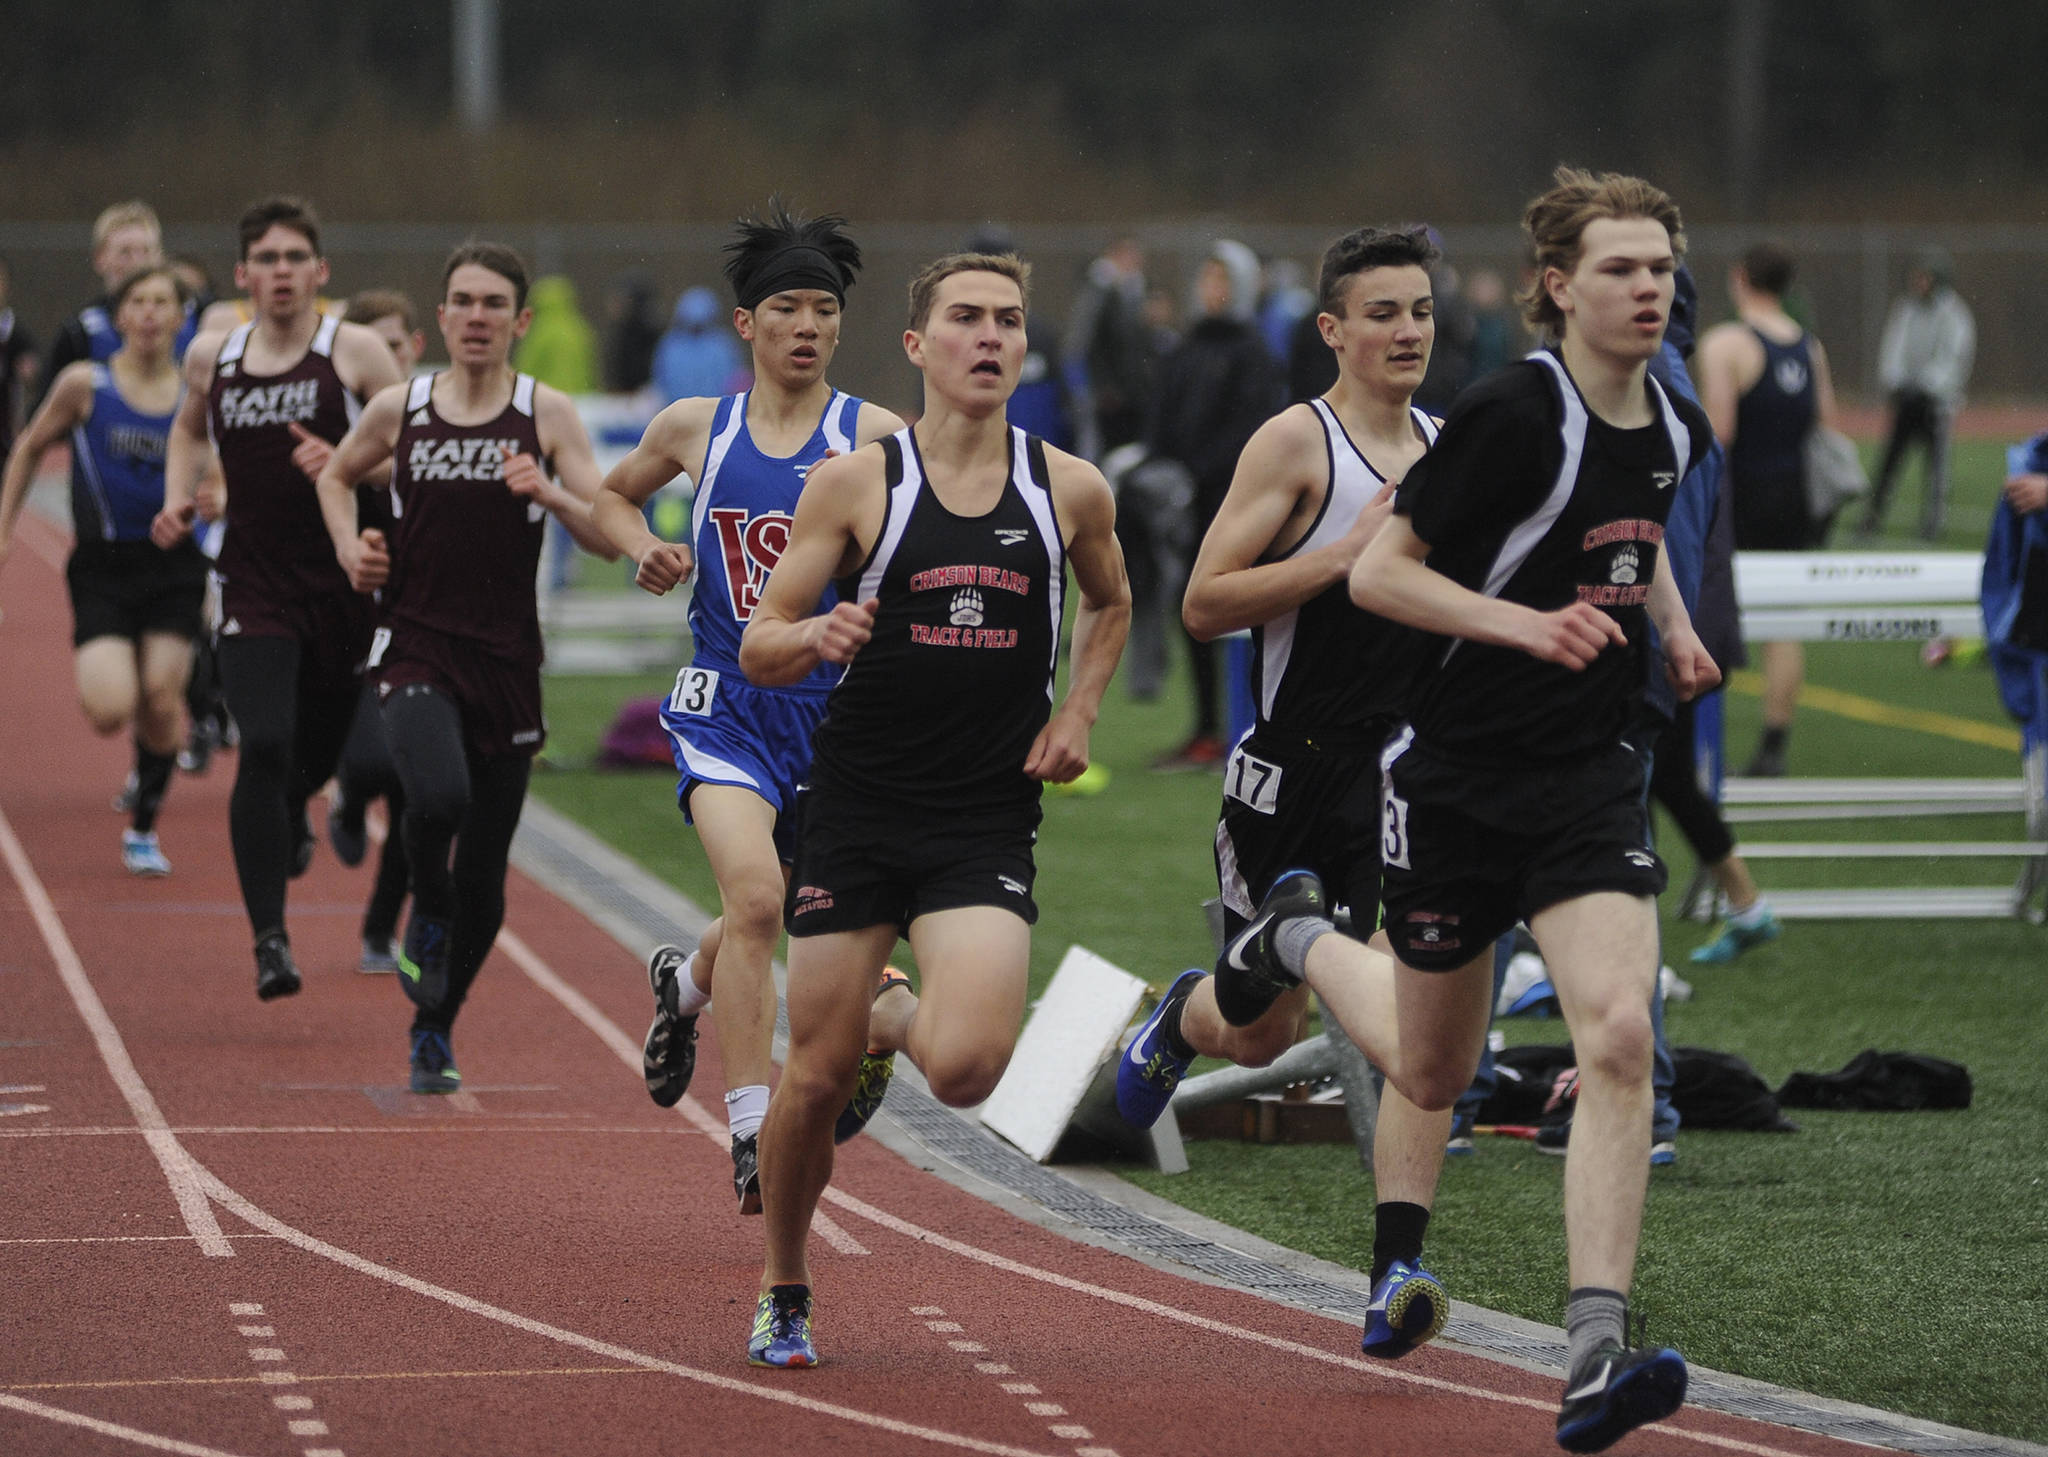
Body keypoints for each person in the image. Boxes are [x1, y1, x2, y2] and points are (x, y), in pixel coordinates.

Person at [1209, 168, 1711, 1451]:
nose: (1646, 287)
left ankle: (1592, 1344)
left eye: (1659, 266)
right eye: (1618, 268)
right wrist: (1519, 623)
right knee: (1431, 1066)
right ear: (1556, 286)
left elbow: (1630, 535)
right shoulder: (1504, 414)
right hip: (1447, 778)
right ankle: (1295, 940)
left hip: (1587, 768)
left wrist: (1673, 625)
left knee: (1614, 1029)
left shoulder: (1674, 425)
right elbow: (1378, 573)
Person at [736, 250, 1129, 1367]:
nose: (990, 337)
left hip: (979, 816)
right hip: (855, 808)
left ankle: (891, 1015)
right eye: (965, 318)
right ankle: (785, 1281)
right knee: (807, 1077)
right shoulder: (859, 483)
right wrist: (812, 635)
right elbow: (763, 638)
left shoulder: (1068, 488)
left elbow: (1112, 601)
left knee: (964, 1067)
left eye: (1008, 319)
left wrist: (1079, 713)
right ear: (917, 346)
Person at [1112, 225, 1464, 1358]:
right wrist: (1344, 554)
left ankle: (1394, 1265)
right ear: (1332, 329)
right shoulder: (1295, 444)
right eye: (1381, 312)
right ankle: (1184, 1007)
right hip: (1290, 768)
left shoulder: (1454, 448)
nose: (1405, 329)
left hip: (1404, 774)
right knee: (1264, 1035)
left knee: (1418, 1010)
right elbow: (1204, 600)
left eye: (1418, 309)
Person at [592, 204, 903, 1212]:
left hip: (834, 716)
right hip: (723, 703)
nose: (805, 325)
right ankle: (744, 1131)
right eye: (786, 307)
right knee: (761, 900)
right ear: (746, 325)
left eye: (822, 308)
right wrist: (640, 543)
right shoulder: (697, 428)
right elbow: (609, 496)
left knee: (772, 905)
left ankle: (682, 987)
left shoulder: (877, 437)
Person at [316, 241, 616, 1093]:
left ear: (518, 321)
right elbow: (337, 476)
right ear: (439, 317)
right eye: (462, 301)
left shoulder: (546, 413)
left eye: (493, 304)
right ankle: (424, 908)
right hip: (414, 642)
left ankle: (433, 1026)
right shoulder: (399, 406)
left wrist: (552, 494)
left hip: (508, 662)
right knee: (437, 797)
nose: (477, 316)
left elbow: (602, 523)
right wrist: (352, 550)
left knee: (486, 872)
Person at [150, 196, 406, 1001]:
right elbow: (189, 429)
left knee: (317, 751)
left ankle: (296, 804)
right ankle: (270, 938)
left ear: (320, 273)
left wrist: (347, 462)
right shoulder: (214, 357)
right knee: (261, 741)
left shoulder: (355, 351)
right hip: (252, 584)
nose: (282, 273)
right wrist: (179, 494)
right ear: (242, 275)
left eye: (296, 258)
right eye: (266, 260)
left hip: (344, 584)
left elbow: (416, 456)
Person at [0, 265, 202, 876]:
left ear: (179, 318)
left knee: (163, 698)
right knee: (112, 707)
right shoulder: (86, 385)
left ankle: (143, 827)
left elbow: (220, 472)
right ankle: (141, 737)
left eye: (160, 302)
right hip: (104, 567)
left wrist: (216, 497)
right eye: (136, 302)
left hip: (175, 566)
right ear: (119, 318)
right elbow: (31, 446)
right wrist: (4, 526)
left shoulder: (200, 393)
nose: (147, 313)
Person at [1696, 242, 1836, 779]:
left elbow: (1721, 432)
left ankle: (1706, 743)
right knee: (1786, 623)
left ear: (1739, 278)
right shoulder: (1809, 345)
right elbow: (1823, 419)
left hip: (1740, 495)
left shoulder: (1727, 343)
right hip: (1794, 495)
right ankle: (1773, 746)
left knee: (1714, 611)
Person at [1146, 238, 1284, 770]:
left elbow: (1249, 433)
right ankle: (1205, 728)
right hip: (1183, 505)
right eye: (1207, 279)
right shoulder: (1187, 347)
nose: (1213, 290)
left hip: (1230, 504)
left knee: (1238, 617)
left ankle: (1247, 727)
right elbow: (1163, 416)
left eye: (1223, 280)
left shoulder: (1252, 353)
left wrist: (1201, 471)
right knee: (1190, 613)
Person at [326, 288, 429, 975]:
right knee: (368, 760)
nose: (383, 360)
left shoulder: (446, 413)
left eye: (394, 345)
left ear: (415, 347)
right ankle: (347, 792)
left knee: (417, 789)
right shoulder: (334, 427)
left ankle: (378, 926)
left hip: (419, 625)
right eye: (370, 349)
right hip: (343, 623)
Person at [1862, 250, 1975, 541]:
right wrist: (1897, 381)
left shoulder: (1955, 314)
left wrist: (1927, 385)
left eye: (1924, 277)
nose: (1918, 282)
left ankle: (1932, 525)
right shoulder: (1906, 308)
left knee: (1936, 468)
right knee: (1889, 462)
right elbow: (1893, 348)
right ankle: (1871, 519)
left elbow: (1954, 358)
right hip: (1907, 400)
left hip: (1935, 403)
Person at [40, 202, 200, 397]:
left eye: (146, 251)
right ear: (100, 258)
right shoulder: (80, 332)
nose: (138, 263)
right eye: (125, 252)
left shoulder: (197, 316)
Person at [1062, 235, 1153, 462]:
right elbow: (1086, 341)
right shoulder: (1102, 291)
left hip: (1123, 391)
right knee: (1100, 448)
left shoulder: (1128, 291)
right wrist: (1104, 387)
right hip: (1107, 393)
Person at [650, 285, 748, 404]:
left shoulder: (722, 345)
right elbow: (660, 383)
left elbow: (734, 381)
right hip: (677, 413)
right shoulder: (671, 345)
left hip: (717, 412)